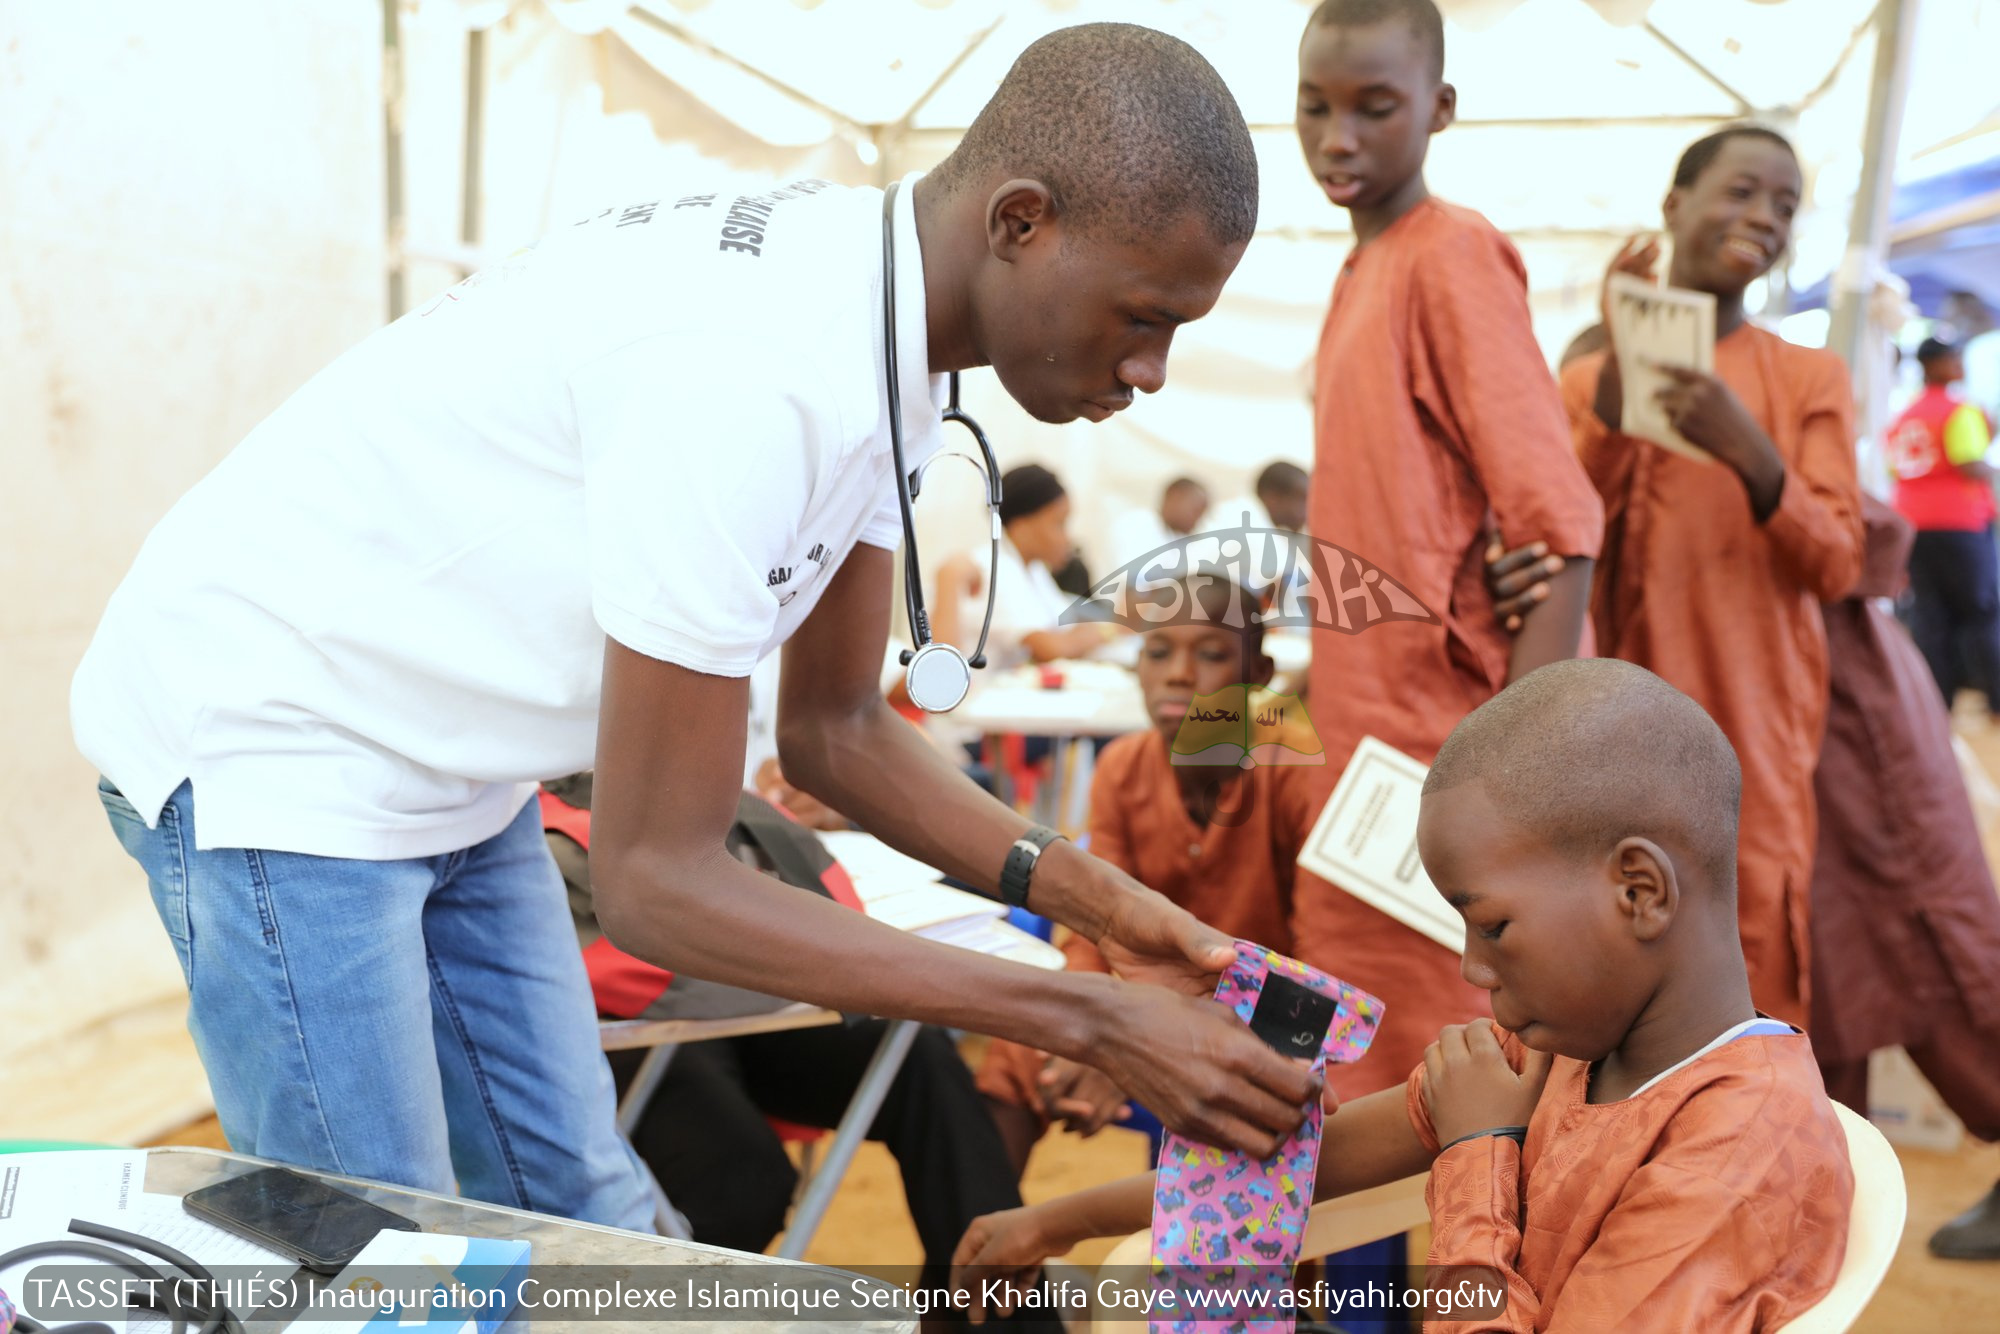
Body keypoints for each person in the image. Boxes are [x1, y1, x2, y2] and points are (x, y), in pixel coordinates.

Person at [74, 23, 1321, 1227]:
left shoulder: (887, 344)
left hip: (451, 768)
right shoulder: (760, 370)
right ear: (1020, 222)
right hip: (276, 746)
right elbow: (658, 885)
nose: (1153, 368)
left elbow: (837, 729)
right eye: (1146, 315)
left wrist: (1104, 908)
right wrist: (1080, 1012)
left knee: (594, 1217)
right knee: (379, 1262)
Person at [953, 659, 1854, 1332]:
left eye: (1493, 925)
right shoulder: (1557, 1053)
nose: (1469, 968)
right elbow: (1284, 1171)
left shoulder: (1741, 1142)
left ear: (1639, 892)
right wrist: (1051, 1223)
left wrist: (1478, 1153)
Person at [1291, 0, 1603, 1097]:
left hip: (1445, 759)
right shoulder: (1354, 273)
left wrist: (1517, 789)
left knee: (1459, 1085)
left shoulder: (1451, 251)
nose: (1339, 138)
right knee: (1365, 1074)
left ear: (1439, 108)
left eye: (1375, 108)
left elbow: (1560, 526)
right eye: (1314, 107)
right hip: (1358, 754)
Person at [1562, 123, 1864, 1027]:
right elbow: (1555, 535)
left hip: (1755, 728)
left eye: (1784, 205)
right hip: (1611, 733)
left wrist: (1753, 454)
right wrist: (1620, 379)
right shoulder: (1587, 378)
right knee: (1609, 942)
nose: (1762, 218)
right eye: (1740, 192)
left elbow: (1840, 562)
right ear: (1675, 205)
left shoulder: (1807, 375)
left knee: (1752, 943)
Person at [975, 574, 1322, 1168]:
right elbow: (1090, 923)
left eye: (1210, 655)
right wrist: (1095, 1031)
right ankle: (993, 1258)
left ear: (1259, 676)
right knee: (1014, 1054)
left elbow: (1318, 962)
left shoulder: (1292, 777)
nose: (1179, 674)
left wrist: (1144, 1045)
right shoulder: (1123, 768)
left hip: (1274, 1020)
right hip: (1141, 1004)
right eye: (1157, 653)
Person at [1808, 497, 2000, 1261]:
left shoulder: (1747, 408)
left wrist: (1761, 478)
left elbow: (1879, 534)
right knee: (1818, 979)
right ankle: (1828, 1202)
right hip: (1778, 719)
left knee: (1936, 960)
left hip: (1848, 722)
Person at [1886, 335, 2000, 713]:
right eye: (1954, 358)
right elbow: (1969, 462)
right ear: (1936, 365)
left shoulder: (1905, 414)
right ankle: (1995, 698)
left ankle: (1937, 702)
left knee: (1930, 615)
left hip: (1914, 524)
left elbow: (1895, 468)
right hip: (1960, 523)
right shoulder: (1959, 410)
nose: (1960, 364)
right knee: (1981, 610)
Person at [936, 464, 1121, 667]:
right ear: (1021, 526)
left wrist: (1085, 636)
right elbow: (1051, 648)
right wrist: (1115, 630)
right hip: (981, 695)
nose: (1067, 539)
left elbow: (1067, 632)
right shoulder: (994, 568)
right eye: (1059, 524)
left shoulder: (1033, 569)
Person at [1108, 476, 1210, 566]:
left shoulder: (1180, 540)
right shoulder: (1136, 524)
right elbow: (1135, 581)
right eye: (1196, 511)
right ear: (1175, 497)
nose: (1198, 521)